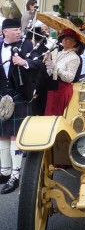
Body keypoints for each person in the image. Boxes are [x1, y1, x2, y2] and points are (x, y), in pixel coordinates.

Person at [0, 18, 34, 194]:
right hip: (1, 95)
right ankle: (5, 172)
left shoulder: (27, 45)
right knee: (2, 135)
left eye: (19, 29)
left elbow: (38, 64)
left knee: (15, 136)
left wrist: (24, 62)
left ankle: (15, 175)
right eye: (15, 29)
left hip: (19, 94)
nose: (18, 32)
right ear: (4, 32)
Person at [44, 29, 81, 116]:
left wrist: (56, 68)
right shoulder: (59, 53)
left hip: (62, 89)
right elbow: (50, 71)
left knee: (56, 114)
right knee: (49, 114)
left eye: (68, 39)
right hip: (53, 86)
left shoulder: (74, 57)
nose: (65, 40)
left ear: (74, 43)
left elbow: (70, 78)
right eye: (64, 38)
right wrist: (48, 61)